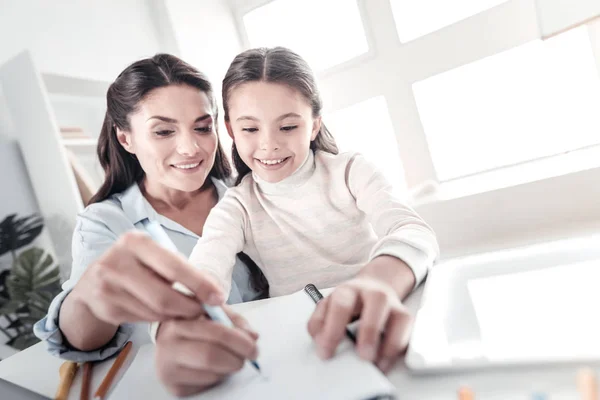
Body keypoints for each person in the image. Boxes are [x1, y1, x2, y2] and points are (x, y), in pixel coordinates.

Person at [182, 47, 440, 373]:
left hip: (380, 320)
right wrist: (186, 319)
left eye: (288, 127)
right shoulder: (236, 208)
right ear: (230, 129)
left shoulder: (350, 171)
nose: (269, 144)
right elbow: (204, 273)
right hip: (307, 343)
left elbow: (414, 231)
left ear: (314, 125)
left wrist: (377, 283)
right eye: (250, 129)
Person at [34, 54, 266, 397]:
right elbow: (82, 339)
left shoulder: (251, 195)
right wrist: (87, 299)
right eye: (163, 131)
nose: (190, 148)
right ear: (126, 139)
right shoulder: (106, 223)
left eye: (202, 128)